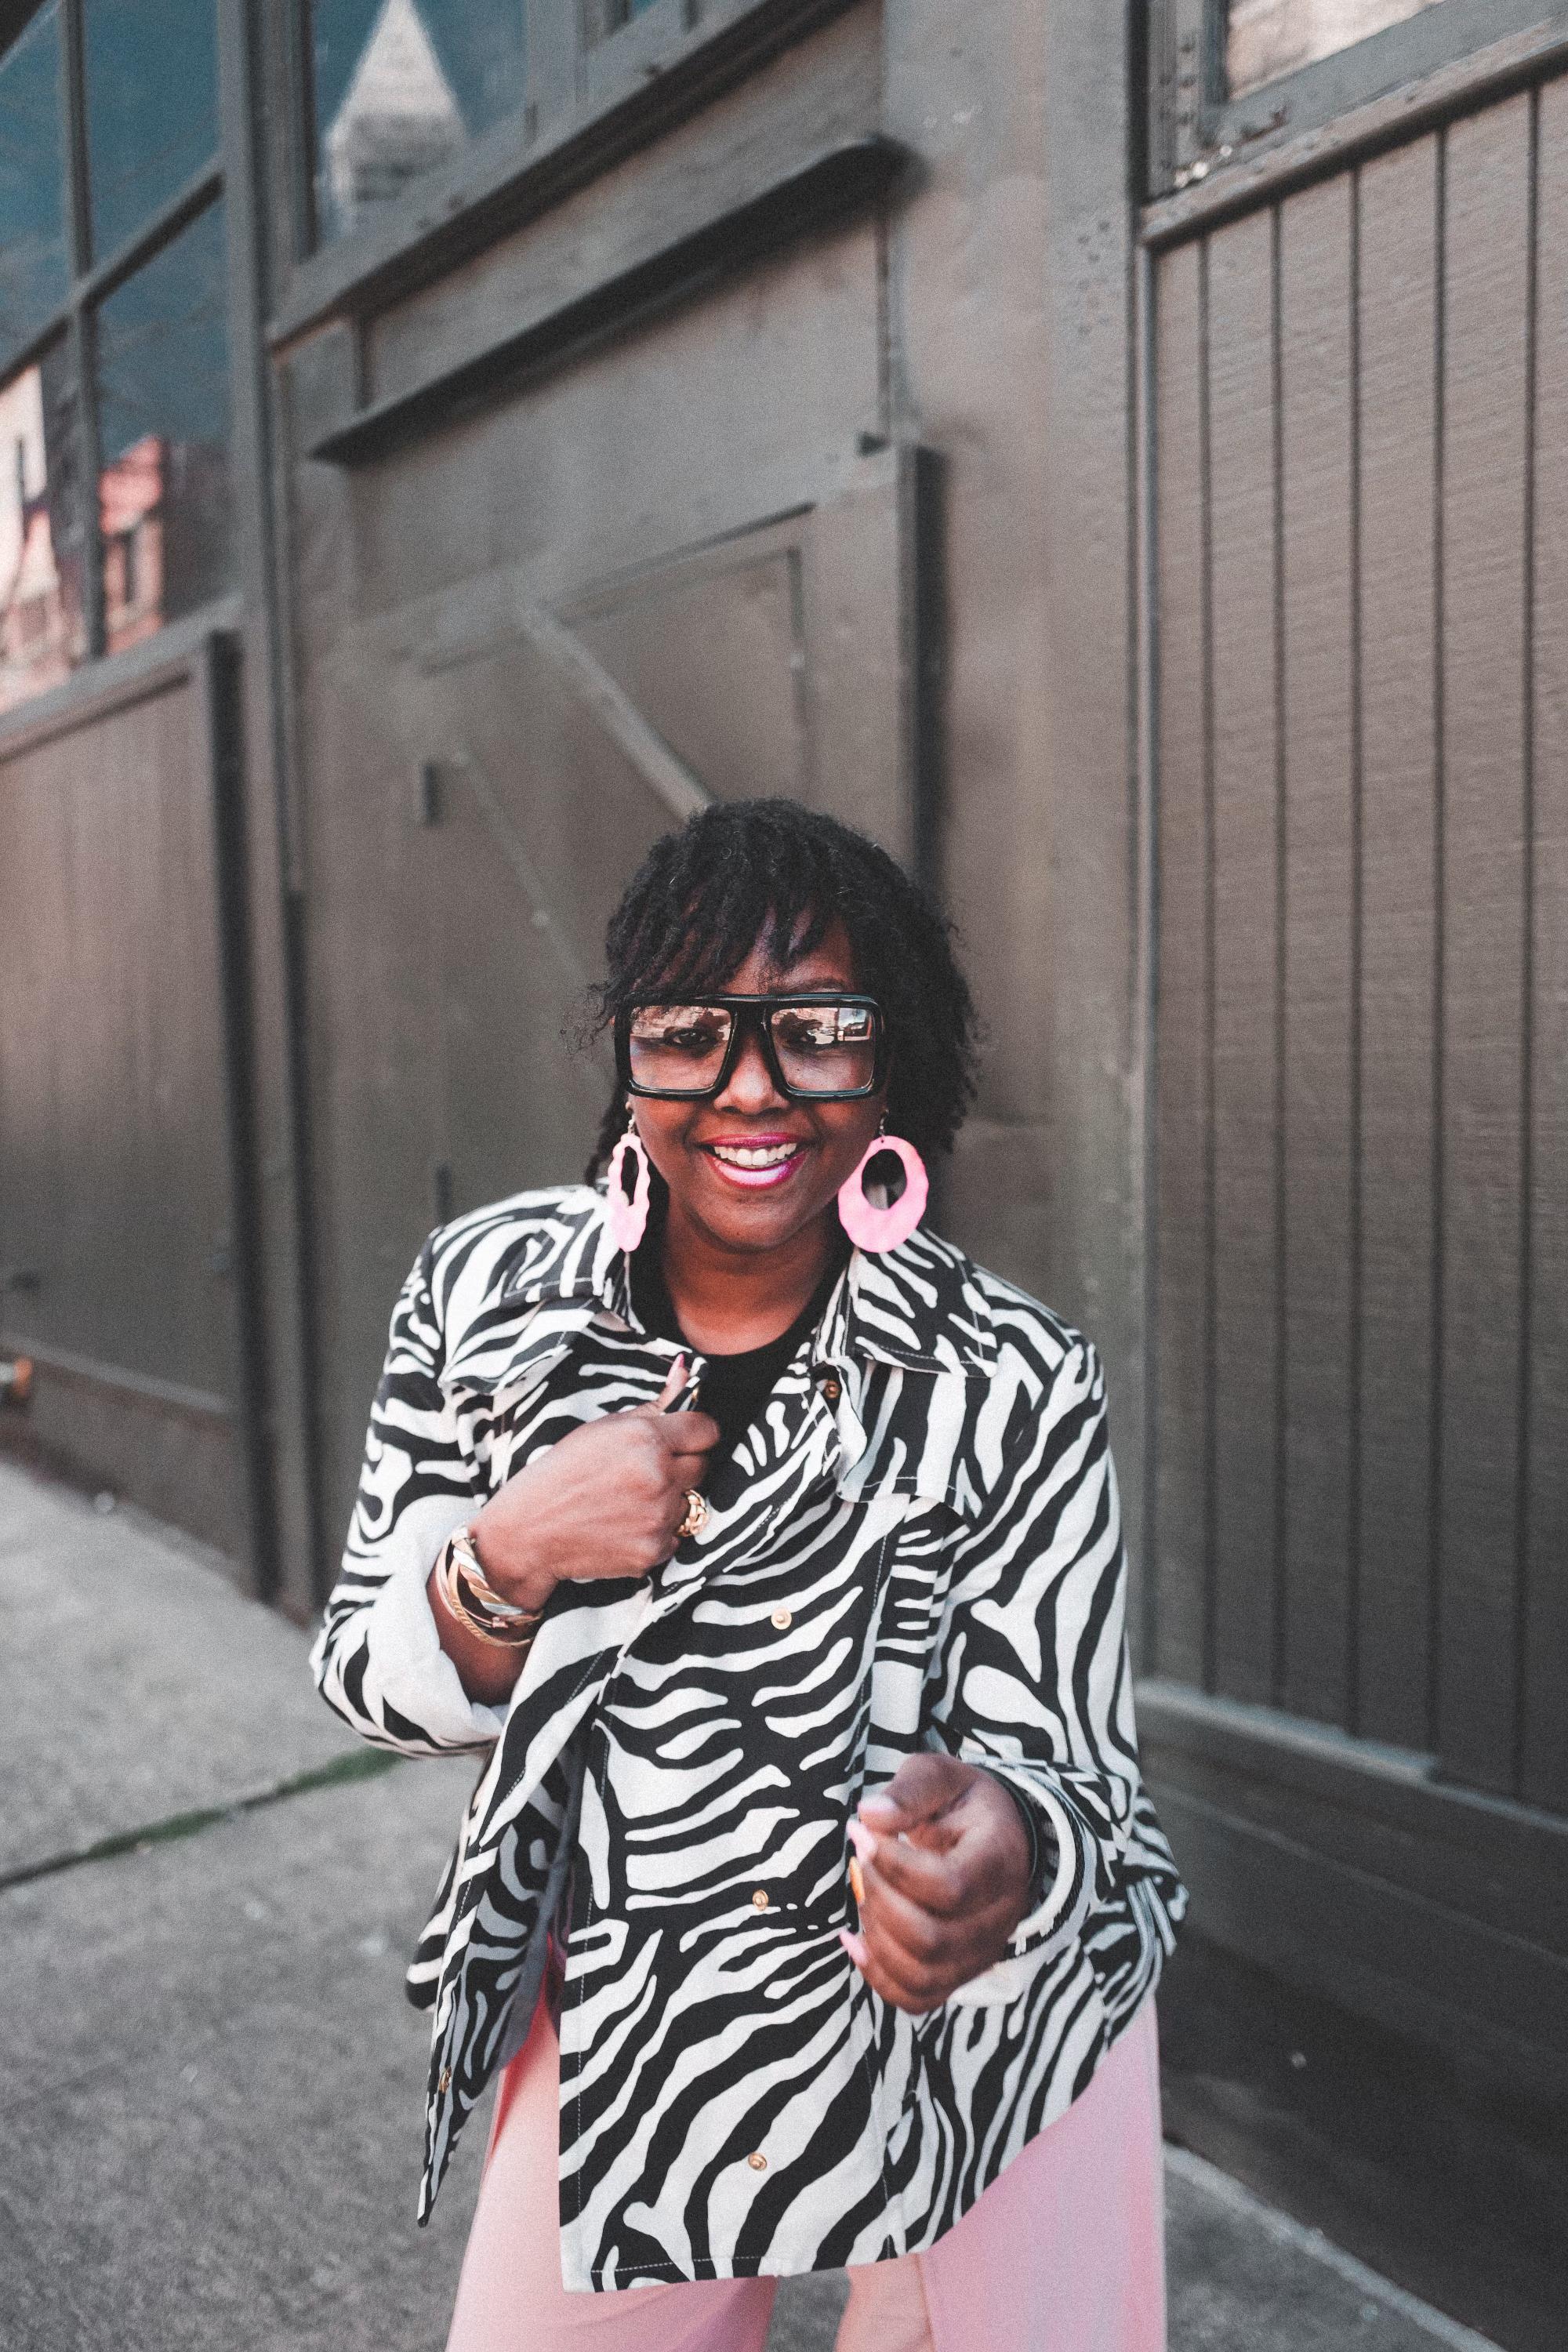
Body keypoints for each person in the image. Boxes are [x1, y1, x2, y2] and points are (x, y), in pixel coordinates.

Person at [313, 798, 1185, 2351]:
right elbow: (364, 1673)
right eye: (690, 1028)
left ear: (889, 1055)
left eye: (817, 1027)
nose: (749, 1084)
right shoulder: (492, 1299)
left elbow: (1091, 1785)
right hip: (652, 2006)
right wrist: (508, 1554)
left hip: (976, 2038)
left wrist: (1014, 1850)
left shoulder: (1015, 1373)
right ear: (629, 1047)